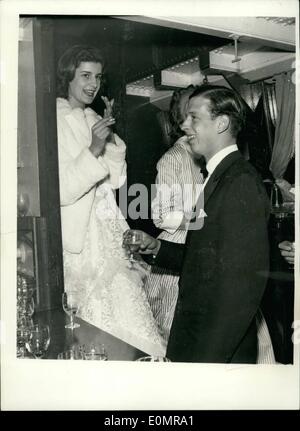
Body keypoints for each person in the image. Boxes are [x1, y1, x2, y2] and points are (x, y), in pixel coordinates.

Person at [124, 85, 274, 363]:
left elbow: (241, 287)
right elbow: (208, 259)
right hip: (196, 340)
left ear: (222, 123)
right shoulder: (220, 175)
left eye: (194, 118)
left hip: (212, 351)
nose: (183, 125)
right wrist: (158, 246)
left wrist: (208, 362)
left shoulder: (239, 180)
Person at [56, 45, 165, 356]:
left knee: (125, 305)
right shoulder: (54, 120)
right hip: (82, 234)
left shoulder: (92, 117)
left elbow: (115, 180)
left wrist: (111, 139)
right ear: (68, 76)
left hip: (108, 224)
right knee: (92, 316)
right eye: (85, 75)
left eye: (98, 77)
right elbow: (62, 190)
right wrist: (93, 147)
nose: (93, 84)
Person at [145, 86, 204, 343]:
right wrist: (201, 220)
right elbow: (161, 216)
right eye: (190, 112)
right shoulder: (173, 159)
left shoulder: (207, 155)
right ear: (180, 121)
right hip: (178, 252)